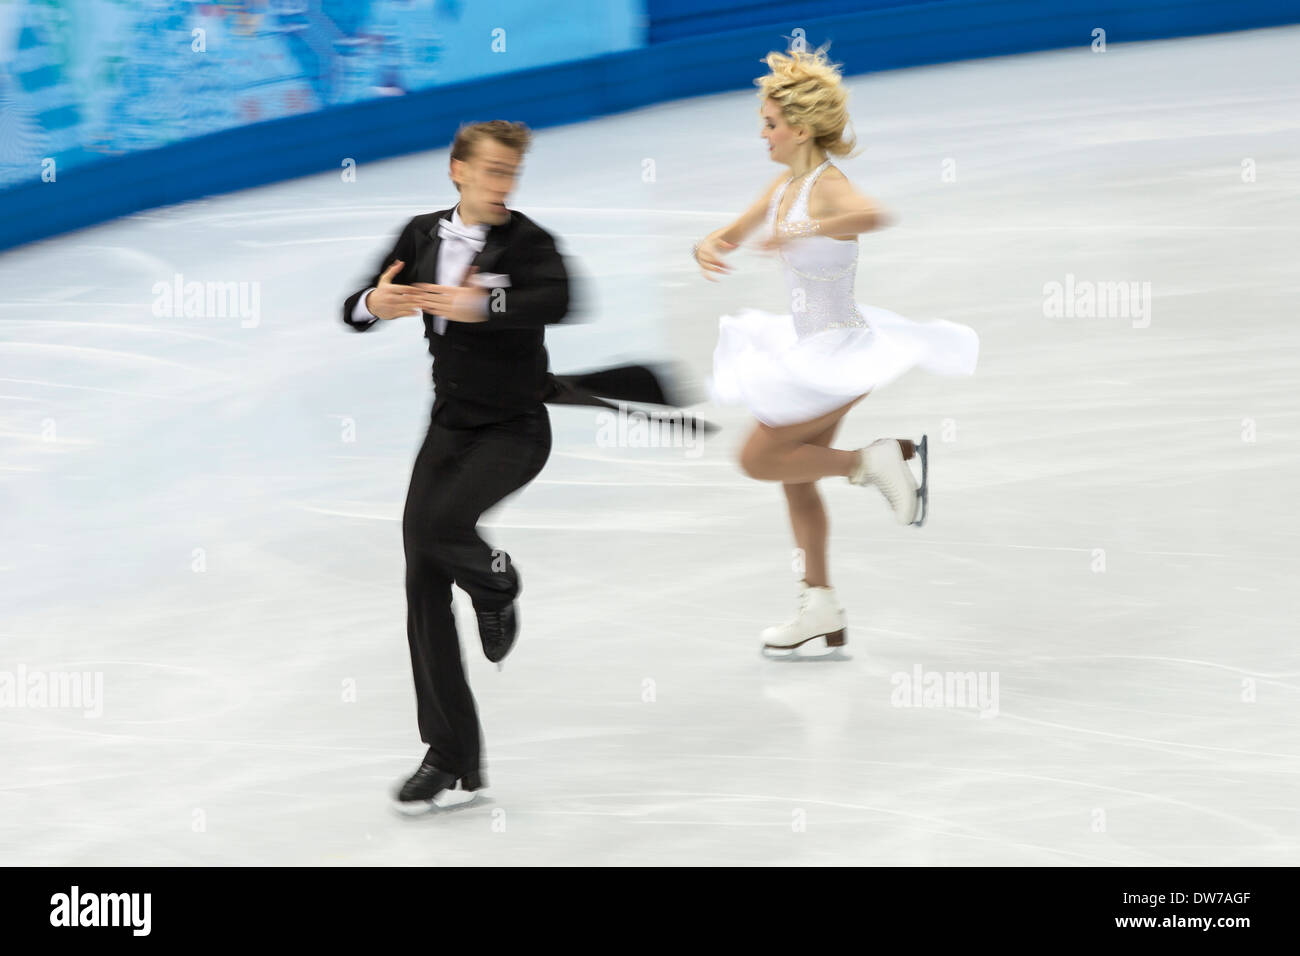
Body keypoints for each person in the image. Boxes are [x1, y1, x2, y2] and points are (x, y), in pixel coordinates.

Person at [342, 120, 707, 810]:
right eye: (490, 172)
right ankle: (448, 756)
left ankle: (496, 583)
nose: (502, 185)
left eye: (511, 173)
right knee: (422, 572)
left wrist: (483, 302)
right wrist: (374, 304)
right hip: (448, 427)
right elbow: (356, 305)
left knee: (441, 530)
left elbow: (562, 299)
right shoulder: (422, 234)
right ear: (458, 170)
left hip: (514, 430)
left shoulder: (529, 242)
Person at [692, 48, 979, 654]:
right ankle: (819, 605)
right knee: (795, 478)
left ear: (799, 128)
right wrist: (712, 243)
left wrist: (804, 230)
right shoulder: (786, 184)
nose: (762, 134)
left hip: (838, 353)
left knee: (760, 459)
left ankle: (870, 463)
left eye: (769, 123)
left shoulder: (829, 189)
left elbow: (875, 214)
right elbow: (735, 231)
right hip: (804, 351)